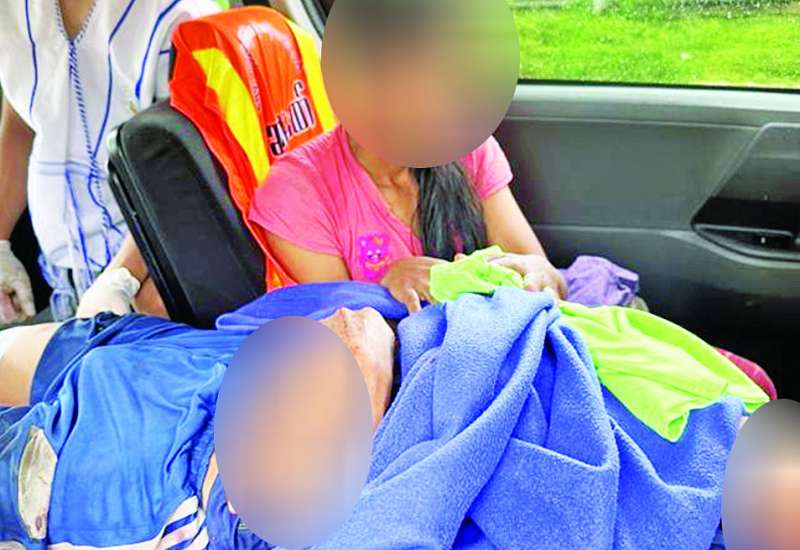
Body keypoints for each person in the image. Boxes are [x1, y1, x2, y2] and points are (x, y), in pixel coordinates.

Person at [0, 0, 220, 325]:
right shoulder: (13, 12)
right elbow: (21, 121)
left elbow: (193, 176)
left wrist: (121, 277)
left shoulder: (179, 15)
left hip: (155, 283)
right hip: (65, 279)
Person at [249, 125, 568, 313]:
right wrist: (384, 289)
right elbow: (347, 333)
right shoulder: (295, 191)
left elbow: (542, 274)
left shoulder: (469, 147)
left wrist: (538, 274)